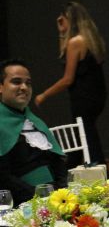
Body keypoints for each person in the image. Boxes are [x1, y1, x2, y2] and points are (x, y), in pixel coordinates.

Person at [35, 1, 107, 166]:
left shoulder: (75, 42)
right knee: (82, 135)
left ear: (70, 19)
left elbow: (67, 78)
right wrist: (62, 33)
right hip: (97, 96)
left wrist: (44, 95)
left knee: (88, 139)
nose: (60, 21)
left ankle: (101, 173)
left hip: (83, 98)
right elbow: (64, 57)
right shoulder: (91, 40)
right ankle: (70, 169)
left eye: (63, 19)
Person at [0, 59, 67, 206]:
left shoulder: (34, 121)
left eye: (28, 83)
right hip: (22, 203)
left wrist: (61, 193)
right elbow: (3, 177)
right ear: (1, 87)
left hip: (52, 197)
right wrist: (39, 198)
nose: (24, 87)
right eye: (16, 82)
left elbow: (57, 161)